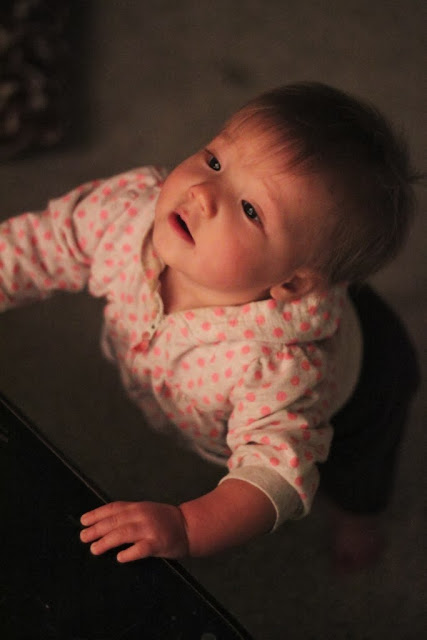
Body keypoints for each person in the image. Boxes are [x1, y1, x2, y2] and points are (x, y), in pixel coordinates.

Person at [0, 82, 420, 570]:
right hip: (311, 288)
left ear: (290, 283)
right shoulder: (128, 212)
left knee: (358, 468)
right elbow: (44, 243)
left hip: (368, 386)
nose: (202, 192)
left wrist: (188, 527)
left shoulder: (280, 370)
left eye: (250, 210)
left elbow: (275, 473)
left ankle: (359, 518)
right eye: (216, 162)